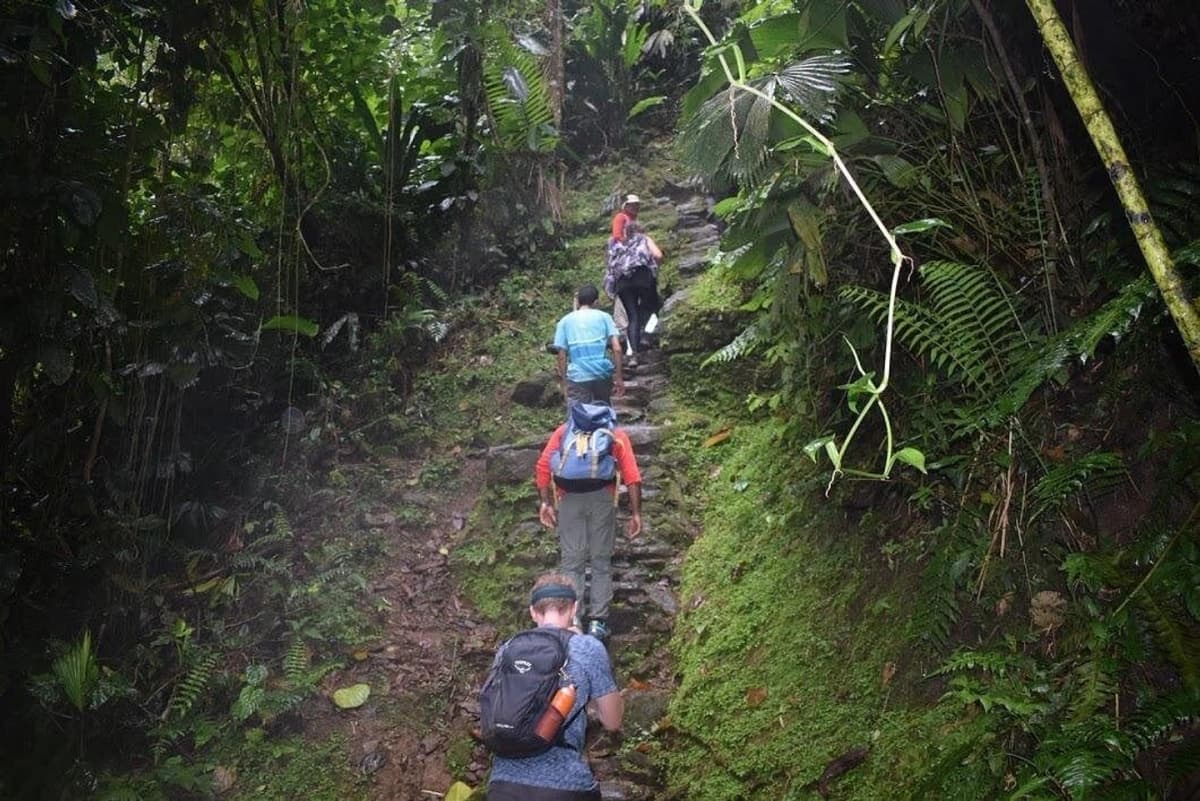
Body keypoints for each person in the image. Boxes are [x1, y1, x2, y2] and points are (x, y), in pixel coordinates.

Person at [486, 573, 623, 801]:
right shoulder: (588, 648)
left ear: (533, 612)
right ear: (574, 608)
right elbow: (612, 722)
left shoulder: (508, 648)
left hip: (503, 784)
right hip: (566, 786)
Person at [535, 406, 642, 642]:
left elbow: (543, 466)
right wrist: (636, 514)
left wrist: (545, 504)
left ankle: (572, 621)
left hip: (569, 500)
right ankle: (598, 622)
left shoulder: (564, 432)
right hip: (602, 498)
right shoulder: (615, 434)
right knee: (601, 560)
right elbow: (632, 475)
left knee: (572, 562)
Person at [553, 284, 624, 404]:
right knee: (602, 412)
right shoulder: (605, 317)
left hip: (577, 376)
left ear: (579, 302)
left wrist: (565, 382)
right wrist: (619, 377)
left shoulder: (564, 321)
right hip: (602, 373)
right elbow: (617, 348)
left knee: (579, 416)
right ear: (596, 302)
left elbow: (561, 355)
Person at [605, 222, 662, 354]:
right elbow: (658, 255)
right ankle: (644, 335)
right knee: (651, 306)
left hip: (622, 281)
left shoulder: (618, 244)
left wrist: (610, 289)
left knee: (632, 316)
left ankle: (634, 355)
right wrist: (654, 269)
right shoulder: (644, 238)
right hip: (641, 276)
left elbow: (610, 267)